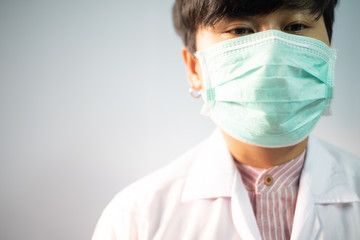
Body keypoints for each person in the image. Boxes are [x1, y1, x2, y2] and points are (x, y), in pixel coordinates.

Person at [92, 0, 360, 239]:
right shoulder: (136, 219)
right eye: (240, 30)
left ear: (327, 53)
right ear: (194, 68)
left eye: (296, 26)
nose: (272, 56)